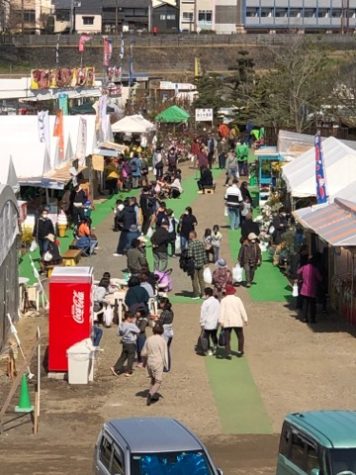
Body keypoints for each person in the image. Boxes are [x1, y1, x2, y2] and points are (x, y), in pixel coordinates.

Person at [141, 323, 168, 406]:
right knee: (158, 381)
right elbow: (164, 354)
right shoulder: (162, 340)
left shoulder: (149, 339)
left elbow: (143, 353)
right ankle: (151, 393)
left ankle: (153, 394)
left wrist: (144, 362)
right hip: (158, 361)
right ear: (162, 331)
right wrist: (166, 365)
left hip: (150, 361)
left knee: (152, 378)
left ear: (153, 330)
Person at [219, 285, 248, 359]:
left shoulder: (224, 300)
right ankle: (240, 351)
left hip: (227, 322)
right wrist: (245, 319)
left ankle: (228, 352)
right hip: (237, 321)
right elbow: (242, 310)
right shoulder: (238, 299)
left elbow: (222, 311)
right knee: (240, 336)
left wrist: (221, 321)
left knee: (227, 338)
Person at [111, 312, 140, 377]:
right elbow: (138, 331)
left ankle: (115, 367)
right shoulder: (131, 325)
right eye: (132, 318)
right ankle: (128, 371)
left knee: (123, 356)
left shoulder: (121, 324)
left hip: (124, 342)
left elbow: (118, 334)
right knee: (131, 356)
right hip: (131, 342)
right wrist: (134, 323)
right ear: (129, 318)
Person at [298, 256, 322, 324]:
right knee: (312, 305)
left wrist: (301, 279)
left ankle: (304, 318)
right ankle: (312, 319)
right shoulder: (315, 269)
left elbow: (298, 272)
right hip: (312, 290)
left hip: (304, 289)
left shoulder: (304, 267)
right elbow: (319, 278)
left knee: (305, 305)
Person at [154, 297, 174, 371]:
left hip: (165, 333)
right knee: (166, 349)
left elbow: (160, 322)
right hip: (170, 331)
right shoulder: (171, 311)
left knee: (164, 350)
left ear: (163, 304)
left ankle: (167, 367)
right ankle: (164, 365)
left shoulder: (164, 312)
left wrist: (156, 319)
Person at [188, 231, 208, 299]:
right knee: (201, 279)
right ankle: (203, 294)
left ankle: (196, 294)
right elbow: (204, 254)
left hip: (194, 265)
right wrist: (205, 262)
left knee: (194, 279)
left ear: (191, 236)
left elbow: (190, 255)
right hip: (201, 264)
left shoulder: (191, 244)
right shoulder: (201, 243)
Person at [200, 287, 220, 355]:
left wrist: (202, 323)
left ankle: (206, 350)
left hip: (207, 324)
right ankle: (215, 348)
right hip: (215, 323)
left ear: (207, 295)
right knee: (214, 335)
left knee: (205, 337)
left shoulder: (205, 303)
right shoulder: (217, 301)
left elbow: (203, 314)